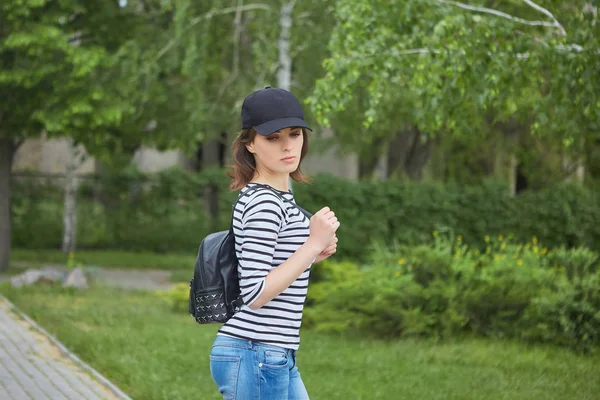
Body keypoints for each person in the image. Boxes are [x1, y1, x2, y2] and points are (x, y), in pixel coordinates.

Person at [209, 86, 340, 400]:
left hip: (270, 353)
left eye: (294, 134)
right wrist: (310, 245)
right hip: (256, 351)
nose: (287, 146)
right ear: (250, 143)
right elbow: (254, 293)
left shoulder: (278, 197)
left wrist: (311, 253)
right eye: (272, 138)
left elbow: (271, 265)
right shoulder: (265, 203)